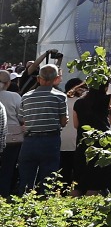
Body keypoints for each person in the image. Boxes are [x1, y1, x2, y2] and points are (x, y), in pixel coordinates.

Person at [18, 64, 68, 193]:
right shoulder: (60, 96)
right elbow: (63, 122)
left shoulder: (26, 97)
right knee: (48, 178)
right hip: (51, 140)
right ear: (56, 79)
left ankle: (24, 202)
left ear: (38, 78)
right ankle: (45, 202)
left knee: (26, 178)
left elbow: (22, 119)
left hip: (30, 140)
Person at [0, 69, 25, 195]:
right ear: (8, 83)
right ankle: (4, 193)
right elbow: (21, 117)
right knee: (8, 167)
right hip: (12, 138)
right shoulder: (15, 96)